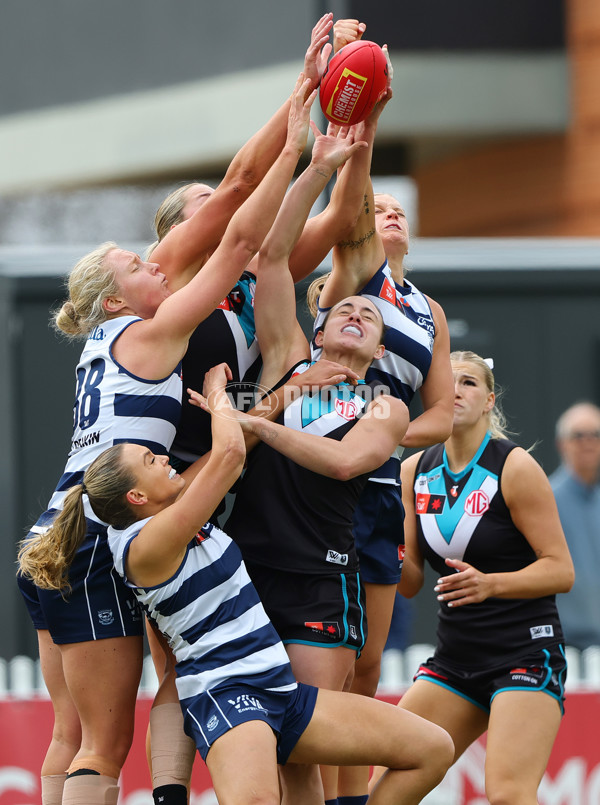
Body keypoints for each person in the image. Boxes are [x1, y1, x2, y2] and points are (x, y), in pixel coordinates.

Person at [16, 73, 316, 805]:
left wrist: (300, 106)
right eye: (137, 265)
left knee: (70, 734)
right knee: (103, 745)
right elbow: (239, 233)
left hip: (54, 530)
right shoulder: (151, 333)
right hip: (91, 536)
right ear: (115, 299)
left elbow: (233, 195)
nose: (154, 262)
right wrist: (295, 145)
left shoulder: (108, 339)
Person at [37, 362, 454, 805]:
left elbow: (227, 456)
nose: (164, 458)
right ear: (136, 497)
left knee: (433, 749)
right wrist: (218, 392)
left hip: (279, 687)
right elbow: (231, 454)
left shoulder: (170, 509)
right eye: (150, 460)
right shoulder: (143, 543)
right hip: (228, 692)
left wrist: (286, 390)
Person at [215, 102, 418, 804]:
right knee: (257, 742)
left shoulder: (385, 406)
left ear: (379, 349)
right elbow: (270, 257)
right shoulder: (288, 358)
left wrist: (260, 422)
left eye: (371, 316)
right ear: (320, 324)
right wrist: (317, 168)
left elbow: (342, 463)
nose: (358, 313)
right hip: (249, 567)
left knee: (307, 745)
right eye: (345, 310)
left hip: (322, 577)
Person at [307, 18, 454, 805]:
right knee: (329, 664)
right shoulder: (357, 276)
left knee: (366, 667)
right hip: (325, 478)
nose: (389, 213)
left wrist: (388, 437)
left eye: (402, 209)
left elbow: (441, 413)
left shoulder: (427, 309)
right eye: (381, 207)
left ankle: (349, 798)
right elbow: (350, 202)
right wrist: (363, 119)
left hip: (377, 484)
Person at [371, 350, 575, 805]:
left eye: (468, 382)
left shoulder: (515, 467)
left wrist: (492, 583)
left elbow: (561, 570)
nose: (457, 391)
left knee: (507, 794)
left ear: (489, 400)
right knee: (382, 793)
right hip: (455, 657)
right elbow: (410, 584)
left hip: (524, 652)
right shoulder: (413, 470)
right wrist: (379, 534)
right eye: (448, 382)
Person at [550, 401, 600, 650]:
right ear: (562, 443)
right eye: (579, 435)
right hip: (564, 644)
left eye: (595, 435)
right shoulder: (546, 498)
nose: (588, 442)